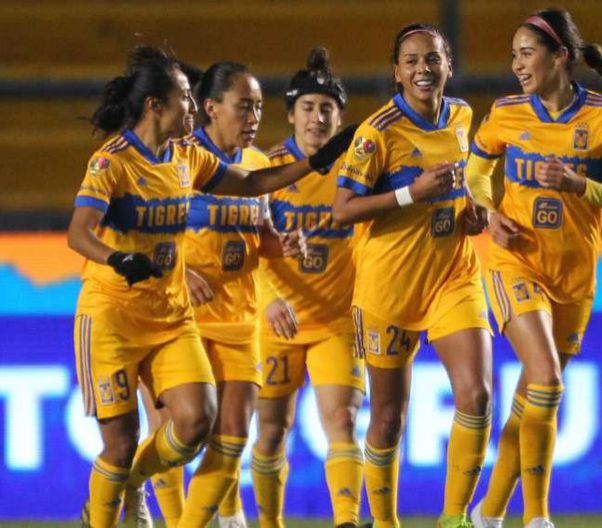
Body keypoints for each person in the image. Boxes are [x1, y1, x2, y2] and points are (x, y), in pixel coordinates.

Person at [68, 45, 354, 528]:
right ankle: (114, 499)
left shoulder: (187, 157)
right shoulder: (111, 162)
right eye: (184, 96)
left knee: (199, 424)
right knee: (120, 444)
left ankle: (135, 483)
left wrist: (316, 162)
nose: (192, 105)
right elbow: (79, 232)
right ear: (154, 105)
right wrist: (117, 258)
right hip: (114, 316)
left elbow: (251, 184)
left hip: (172, 317)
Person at [465, 8, 602, 528]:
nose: (517, 65)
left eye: (527, 53)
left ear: (560, 56)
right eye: (514, 56)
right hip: (515, 262)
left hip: (575, 277)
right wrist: (489, 215)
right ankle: (537, 517)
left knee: (532, 398)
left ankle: (488, 514)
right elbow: (475, 175)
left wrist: (577, 184)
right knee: (546, 379)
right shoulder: (506, 113)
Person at [333, 23, 492, 528]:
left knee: (477, 395)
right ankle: (385, 522)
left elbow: (466, 184)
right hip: (390, 288)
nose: (423, 68)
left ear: (448, 65)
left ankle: (455, 517)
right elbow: (342, 209)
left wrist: (473, 210)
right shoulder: (377, 132)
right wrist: (411, 193)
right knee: (387, 418)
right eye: (412, 61)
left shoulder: (462, 115)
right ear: (397, 72)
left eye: (432, 59)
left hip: (452, 275)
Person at [251, 47, 366, 528]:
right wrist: (269, 300)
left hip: (336, 322)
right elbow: (246, 243)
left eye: (327, 109)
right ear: (291, 114)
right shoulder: (268, 170)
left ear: (339, 117)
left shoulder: (356, 170)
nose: (317, 117)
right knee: (272, 431)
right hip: (277, 323)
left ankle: (346, 521)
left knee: (342, 422)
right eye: (308, 107)